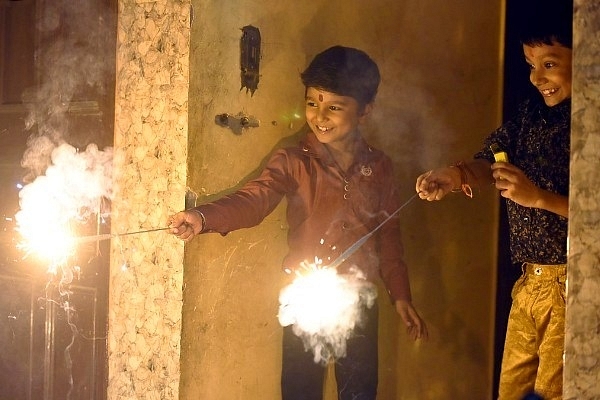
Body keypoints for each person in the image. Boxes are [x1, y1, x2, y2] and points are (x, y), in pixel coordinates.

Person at [169, 45, 427, 399]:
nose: (319, 116)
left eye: (334, 106)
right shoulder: (293, 159)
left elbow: (389, 236)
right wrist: (202, 217)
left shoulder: (379, 167)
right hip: (305, 298)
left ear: (366, 110)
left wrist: (400, 294)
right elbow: (255, 199)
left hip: (360, 301)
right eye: (312, 103)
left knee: (360, 391)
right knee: (301, 391)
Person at [415, 3, 572, 400]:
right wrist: (456, 176)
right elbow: (491, 161)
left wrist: (537, 198)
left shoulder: (588, 125)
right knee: (512, 392)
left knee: (556, 391)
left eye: (550, 64)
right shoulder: (530, 115)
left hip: (575, 286)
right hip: (529, 285)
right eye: (530, 65)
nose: (538, 78)